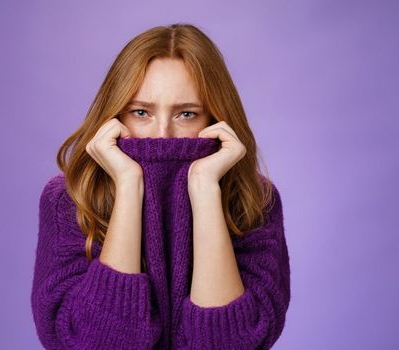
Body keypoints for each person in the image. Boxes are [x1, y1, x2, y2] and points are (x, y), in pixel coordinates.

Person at [30, 23, 290, 349]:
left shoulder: (255, 202)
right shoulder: (68, 200)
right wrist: (129, 185)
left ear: (214, 119)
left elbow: (233, 344)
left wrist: (205, 188)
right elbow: (91, 343)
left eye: (186, 114)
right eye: (141, 112)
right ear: (115, 117)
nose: (162, 133)